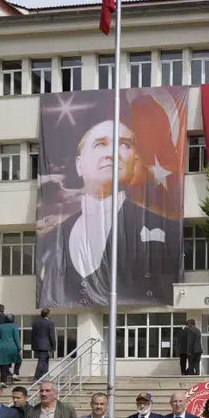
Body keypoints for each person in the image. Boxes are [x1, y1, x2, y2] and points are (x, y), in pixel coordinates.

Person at [37, 119, 181, 308]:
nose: (112, 153)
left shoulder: (166, 229)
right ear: (79, 165)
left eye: (123, 144)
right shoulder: (52, 240)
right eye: (100, 144)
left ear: (134, 162)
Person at [0, 314, 22, 385]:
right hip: (12, 346)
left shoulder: (0, 326)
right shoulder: (14, 326)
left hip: (2, 346)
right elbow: (16, 338)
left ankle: (3, 381)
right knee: (18, 360)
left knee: (4, 364)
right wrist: (19, 348)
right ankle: (15, 374)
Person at [31, 308, 57, 380]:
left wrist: (33, 346)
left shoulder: (35, 323)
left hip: (37, 346)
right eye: (50, 313)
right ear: (48, 314)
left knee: (45, 360)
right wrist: (54, 347)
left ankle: (45, 375)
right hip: (45, 346)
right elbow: (51, 336)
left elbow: (32, 335)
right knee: (42, 361)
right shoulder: (50, 323)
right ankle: (37, 377)